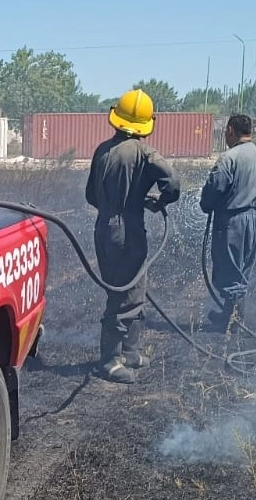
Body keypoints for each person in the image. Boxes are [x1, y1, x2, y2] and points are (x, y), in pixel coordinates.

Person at [84, 88, 182, 384]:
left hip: (104, 228)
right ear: (145, 124)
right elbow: (173, 184)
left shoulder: (102, 149)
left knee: (132, 287)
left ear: (116, 119)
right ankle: (110, 360)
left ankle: (130, 351)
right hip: (128, 229)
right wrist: (156, 201)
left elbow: (91, 195)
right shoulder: (143, 152)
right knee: (124, 292)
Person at [199, 113, 256, 333]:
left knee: (229, 269)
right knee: (242, 269)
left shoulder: (229, 158)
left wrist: (206, 204)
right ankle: (229, 316)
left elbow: (215, 188)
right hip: (254, 219)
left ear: (230, 130)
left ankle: (233, 322)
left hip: (233, 221)